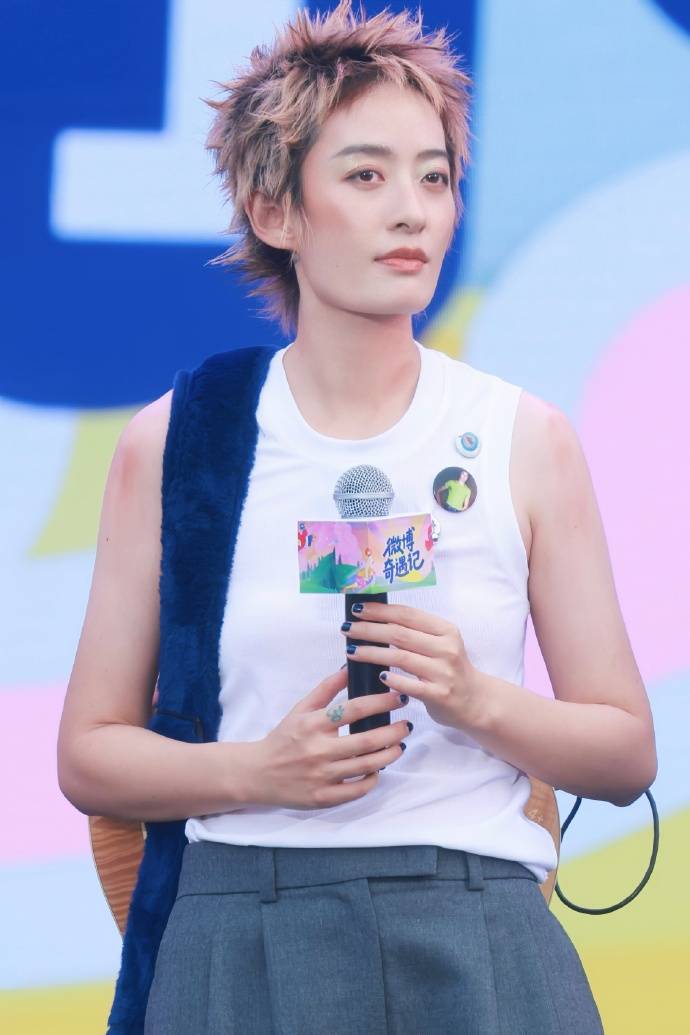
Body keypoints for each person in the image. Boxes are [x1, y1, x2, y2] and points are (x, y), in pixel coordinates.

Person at [57, 2, 657, 1032]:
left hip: (478, 929)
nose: (412, 211)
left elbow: (625, 752)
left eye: (435, 177)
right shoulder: (180, 439)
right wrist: (256, 771)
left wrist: (476, 697)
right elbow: (88, 755)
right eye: (367, 176)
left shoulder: (523, 437)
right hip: (240, 927)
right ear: (275, 210)